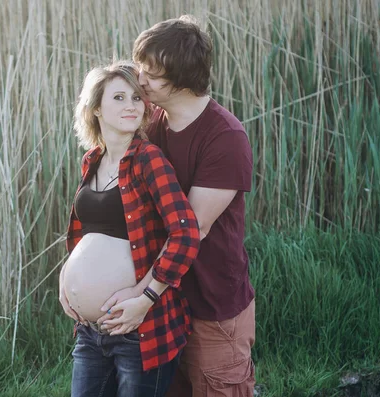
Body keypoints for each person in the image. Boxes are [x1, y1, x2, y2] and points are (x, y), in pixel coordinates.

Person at [101, 16, 256, 397]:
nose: (140, 80)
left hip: (210, 303)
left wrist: (141, 295)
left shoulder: (225, 138)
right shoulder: (151, 122)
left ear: (181, 78)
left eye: (150, 74)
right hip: (163, 305)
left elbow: (191, 230)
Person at [59, 60, 201, 397]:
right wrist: (69, 283)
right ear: (95, 109)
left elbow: (186, 234)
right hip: (91, 331)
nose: (132, 106)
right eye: (119, 98)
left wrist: (145, 297)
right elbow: (88, 235)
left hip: (141, 329)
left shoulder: (147, 159)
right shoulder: (92, 159)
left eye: (137, 98)